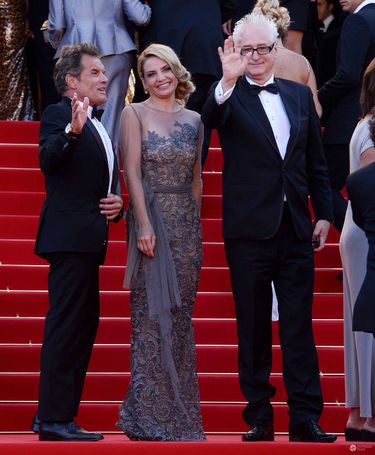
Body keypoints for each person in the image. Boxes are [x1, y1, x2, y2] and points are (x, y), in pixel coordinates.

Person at [202, 13, 336, 442]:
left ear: (278, 50)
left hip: (295, 227)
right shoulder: (228, 97)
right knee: (254, 327)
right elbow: (208, 122)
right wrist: (225, 81)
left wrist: (325, 213)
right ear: (236, 53)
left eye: (263, 48)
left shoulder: (298, 96)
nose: (255, 56)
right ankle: (259, 416)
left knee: (299, 326)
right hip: (248, 232)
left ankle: (305, 418)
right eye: (247, 50)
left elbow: (315, 164)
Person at [33, 43, 123, 441]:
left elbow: (93, 182)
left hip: (88, 241)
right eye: (95, 74)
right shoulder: (59, 115)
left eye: (104, 73)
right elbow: (48, 159)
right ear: (72, 82)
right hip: (69, 239)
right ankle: (54, 419)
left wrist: (116, 204)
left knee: (81, 328)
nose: (105, 78)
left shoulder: (99, 122)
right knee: (67, 327)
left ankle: (54, 415)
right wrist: (71, 130)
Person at [117, 43, 205, 441]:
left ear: (176, 70)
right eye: (150, 73)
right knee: (152, 319)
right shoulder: (133, 113)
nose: (159, 78)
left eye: (164, 70)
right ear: (143, 80)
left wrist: (194, 224)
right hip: (152, 224)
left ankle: (179, 417)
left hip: (187, 230)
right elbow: (131, 173)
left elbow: (196, 180)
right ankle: (150, 417)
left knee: (181, 321)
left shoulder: (196, 119)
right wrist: (144, 224)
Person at [48, 0, 151, 153]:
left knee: (77, 114)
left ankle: (83, 173)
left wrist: (56, 42)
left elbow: (56, 25)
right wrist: (148, 7)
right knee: (111, 119)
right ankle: (109, 173)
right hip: (115, 46)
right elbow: (140, 17)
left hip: (75, 49)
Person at [339, 58, 375, 442]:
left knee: (362, 324)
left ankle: (359, 413)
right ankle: (369, 415)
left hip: (359, 231)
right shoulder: (371, 128)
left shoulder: (364, 124)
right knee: (369, 325)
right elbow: (370, 185)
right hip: (368, 233)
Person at [318, 0, 375, 233]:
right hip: (363, 117)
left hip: (350, 119)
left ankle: (362, 236)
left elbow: (348, 75)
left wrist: (313, 97)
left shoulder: (358, 21)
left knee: (323, 183)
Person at [0, 0, 35, 119]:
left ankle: (17, 116)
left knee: (13, 66)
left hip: (13, 16)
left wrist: (27, 17)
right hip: (14, 16)